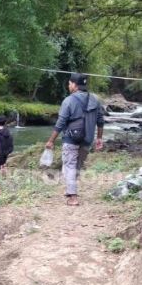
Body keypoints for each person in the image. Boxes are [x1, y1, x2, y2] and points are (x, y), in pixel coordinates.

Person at [45, 73, 104, 206]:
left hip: (71, 139)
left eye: (70, 83)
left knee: (70, 166)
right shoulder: (95, 99)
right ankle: (70, 189)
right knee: (75, 166)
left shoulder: (69, 100)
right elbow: (100, 121)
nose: (68, 86)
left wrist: (51, 140)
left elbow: (61, 122)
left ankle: (73, 197)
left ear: (75, 85)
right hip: (87, 139)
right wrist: (99, 138)